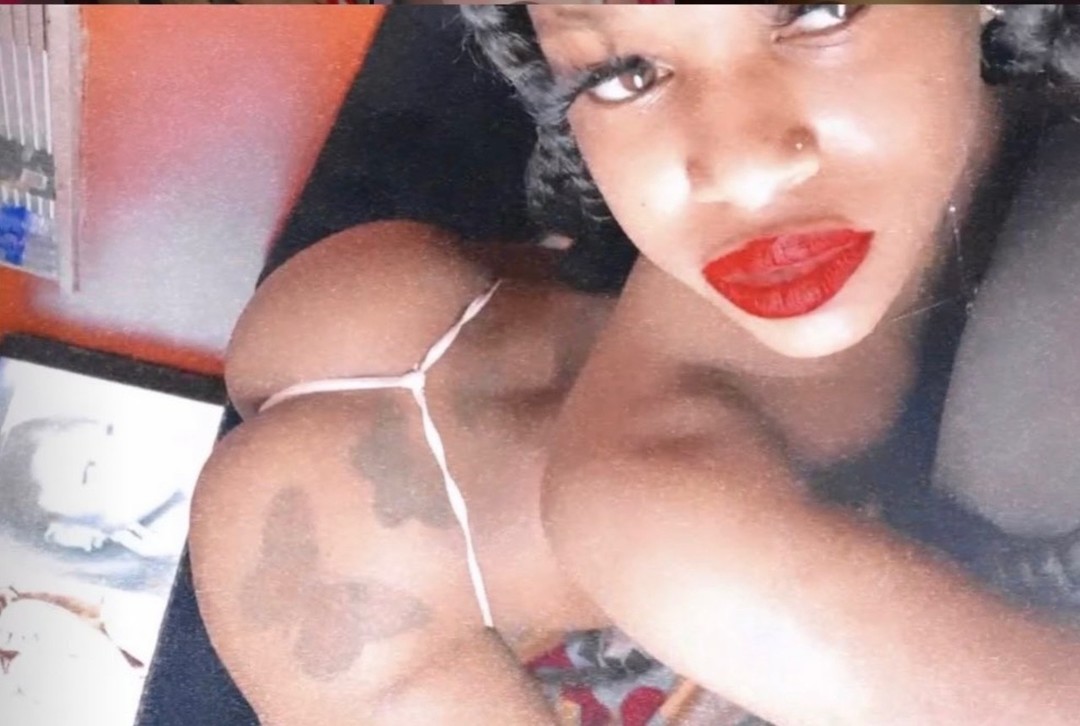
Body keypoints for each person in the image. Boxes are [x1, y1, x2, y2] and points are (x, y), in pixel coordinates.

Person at [189, 5, 1080, 724]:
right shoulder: (663, 517)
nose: (742, 171)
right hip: (378, 531)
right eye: (625, 71)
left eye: (818, 12)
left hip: (422, 320)